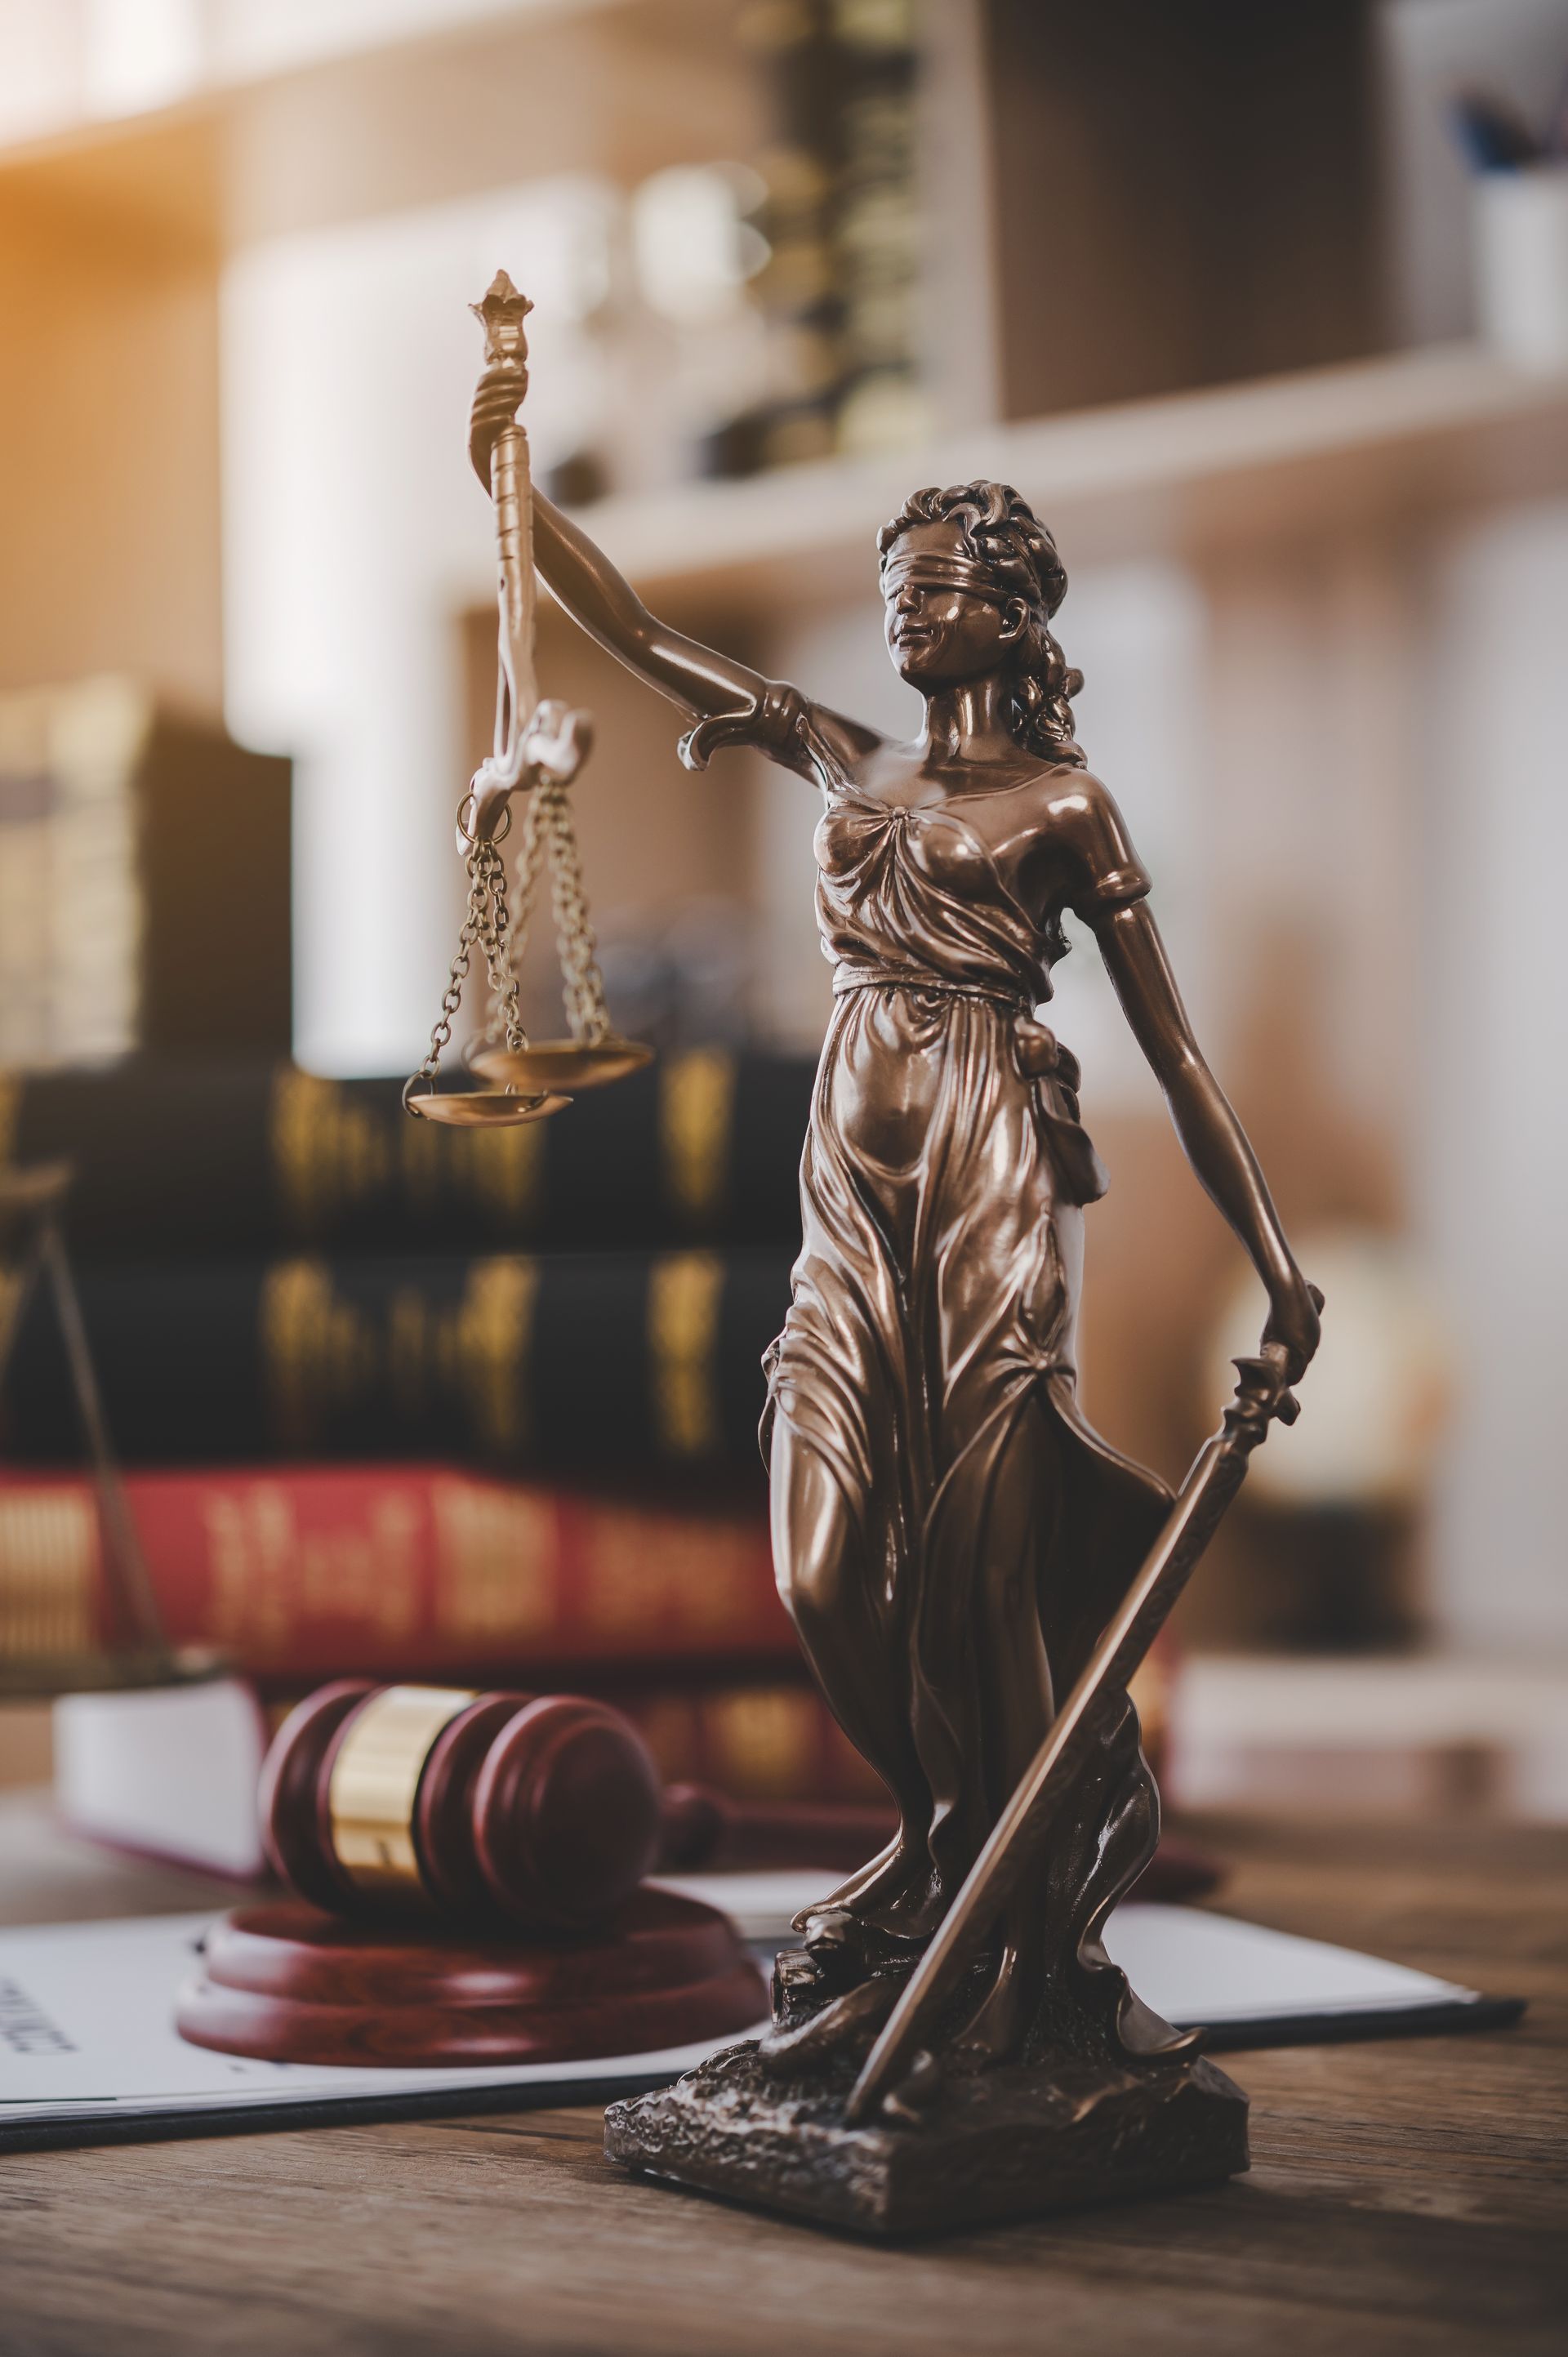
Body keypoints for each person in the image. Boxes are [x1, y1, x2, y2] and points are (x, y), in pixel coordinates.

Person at [518, 469, 1320, 2068]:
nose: (907, 603)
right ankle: (945, 1845)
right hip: (848, 1190)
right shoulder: (842, 748)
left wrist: (1279, 1273)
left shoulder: (1067, 808)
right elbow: (633, 627)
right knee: (820, 1566)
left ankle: (1002, 1954)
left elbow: (1175, 1059)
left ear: (1013, 613)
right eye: (895, 578)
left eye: (938, 581)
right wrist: (514, 490)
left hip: (988, 1182)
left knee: (983, 1586)